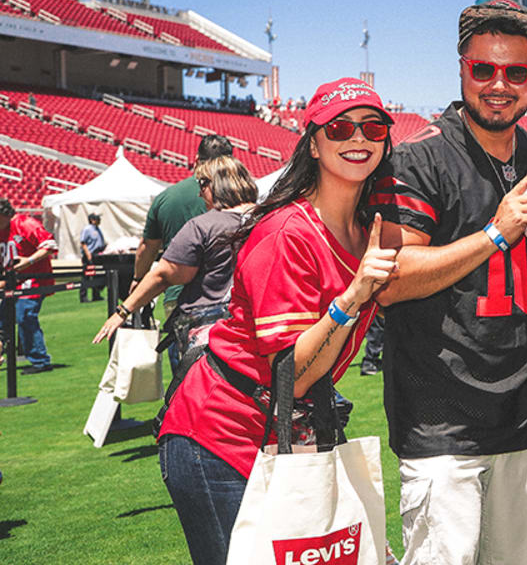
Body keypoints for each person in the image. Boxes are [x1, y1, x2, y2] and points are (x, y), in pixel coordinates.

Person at [155, 78, 396, 565]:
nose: (358, 138)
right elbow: (294, 374)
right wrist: (353, 296)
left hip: (283, 431)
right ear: (313, 141)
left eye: (372, 128)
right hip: (219, 436)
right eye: (340, 127)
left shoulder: (366, 229)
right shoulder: (286, 231)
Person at [370, 0, 527, 565]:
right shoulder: (420, 157)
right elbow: (393, 279)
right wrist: (494, 236)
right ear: (461, 69)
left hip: (522, 415)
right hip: (442, 421)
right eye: (484, 69)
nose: (499, 85)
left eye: (516, 72)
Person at [92, 156, 258, 367]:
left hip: (211, 334)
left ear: (217, 183)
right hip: (260, 330)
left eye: (202, 184)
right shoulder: (270, 219)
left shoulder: (202, 226)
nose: (200, 193)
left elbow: (164, 275)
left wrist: (123, 311)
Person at [134, 134, 234, 369]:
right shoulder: (239, 197)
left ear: (196, 159)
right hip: (228, 295)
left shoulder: (167, 198)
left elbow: (147, 248)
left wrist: (138, 279)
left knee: (185, 377)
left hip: (179, 296)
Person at [0, 198, 56, 374]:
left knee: (24, 315)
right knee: (3, 320)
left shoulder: (24, 223)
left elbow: (50, 245)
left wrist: (28, 261)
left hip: (34, 279)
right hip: (12, 281)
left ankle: (40, 361)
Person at [79, 212, 106, 302]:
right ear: (92, 220)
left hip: (97, 254)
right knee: (86, 276)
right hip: (90, 255)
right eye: (97, 219)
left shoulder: (98, 229)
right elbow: (83, 243)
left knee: (96, 275)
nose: (99, 220)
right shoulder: (87, 229)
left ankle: (96, 295)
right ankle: (83, 297)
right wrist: (88, 255)